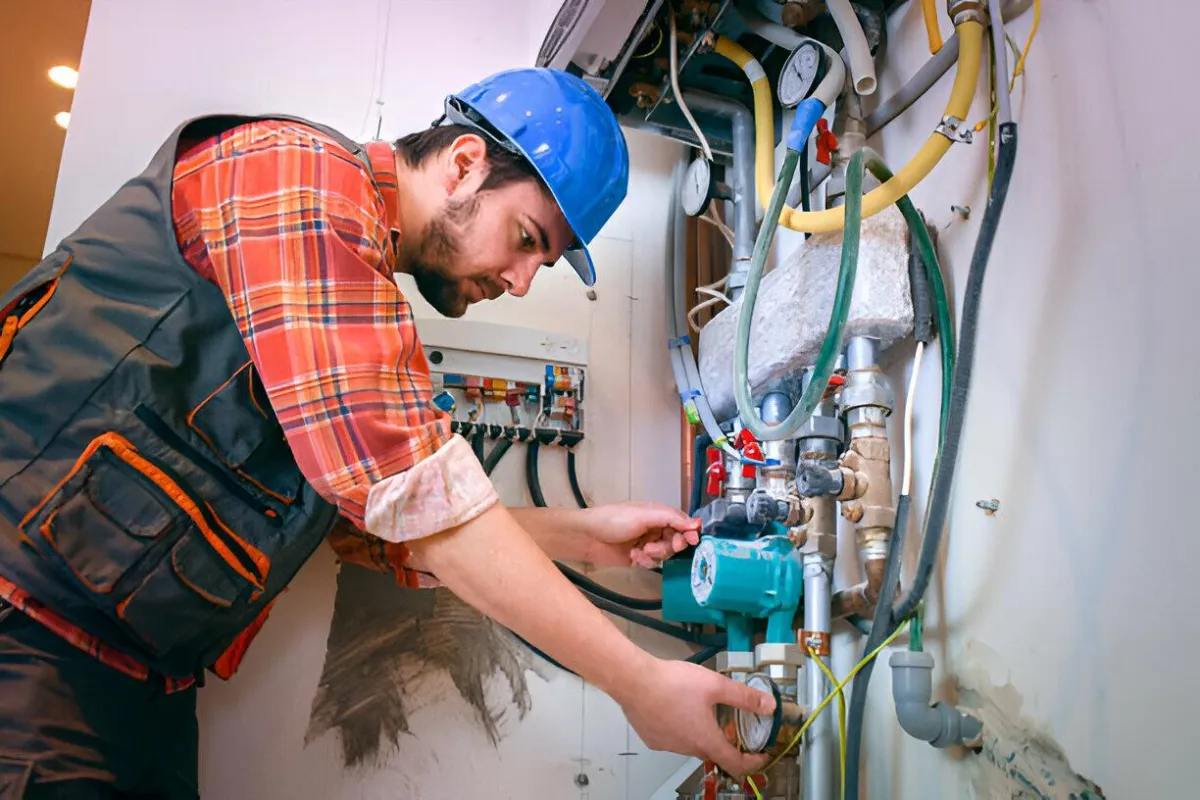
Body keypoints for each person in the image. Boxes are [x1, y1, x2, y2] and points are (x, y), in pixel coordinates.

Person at [0, 68, 772, 798]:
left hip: (131, 676)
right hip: (27, 629)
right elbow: (417, 503)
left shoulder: (355, 303)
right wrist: (641, 685)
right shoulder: (298, 178)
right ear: (465, 164)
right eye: (529, 238)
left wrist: (580, 534)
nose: (522, 281)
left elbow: (373, 528)